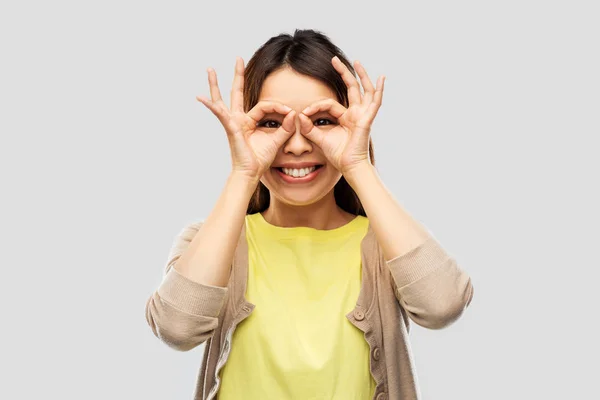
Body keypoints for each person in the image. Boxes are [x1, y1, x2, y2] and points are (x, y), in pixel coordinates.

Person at [145, 29, 474, 400]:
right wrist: (243, 172)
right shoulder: (209, 243)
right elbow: (176, 328)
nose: (298, 145)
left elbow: (444, 306)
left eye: (322, 121)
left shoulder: (387, 244)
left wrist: (357, 162)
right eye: (271, 122)